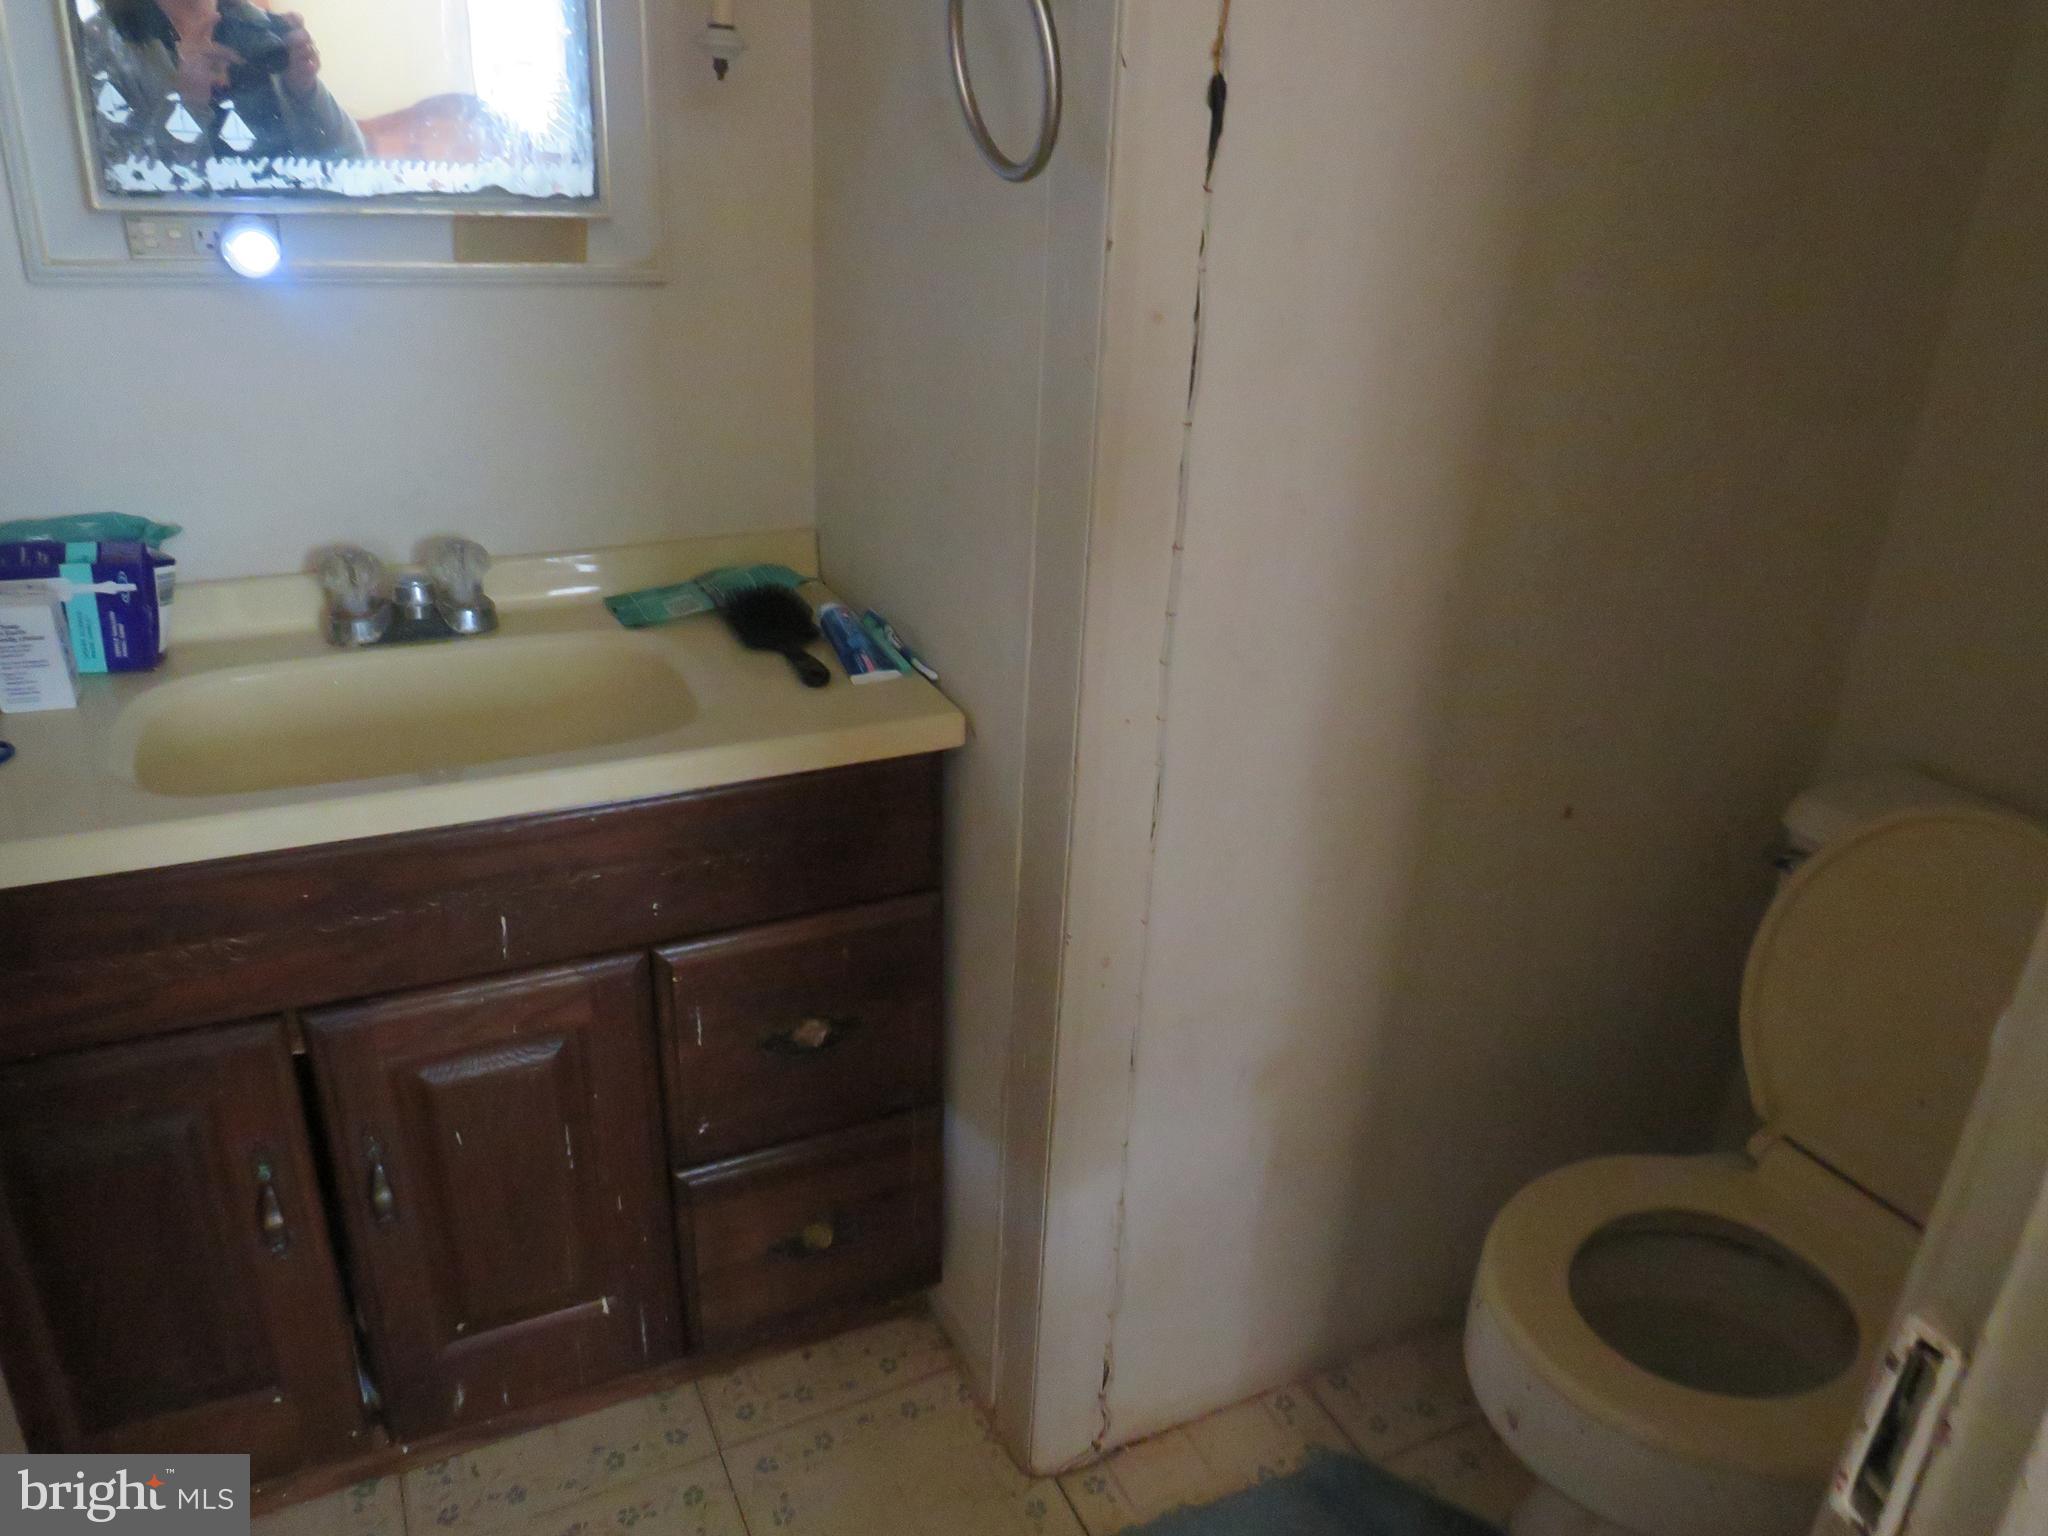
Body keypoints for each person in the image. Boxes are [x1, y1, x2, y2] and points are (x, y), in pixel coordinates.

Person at [79, 0, 365, 171]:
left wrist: (305, 91)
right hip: (185, 250)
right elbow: (115, 183)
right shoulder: (101, 45)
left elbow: (351, 159)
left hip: (295, 238)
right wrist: (186, 103)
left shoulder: (257, 26)